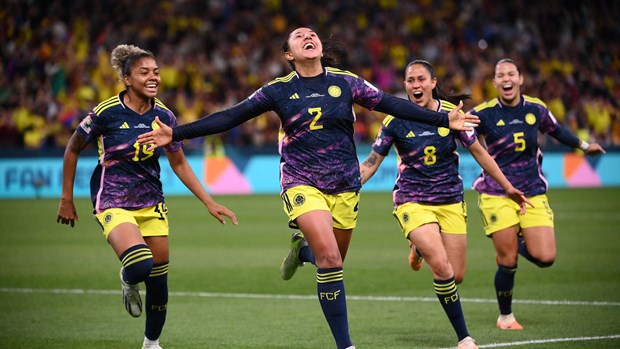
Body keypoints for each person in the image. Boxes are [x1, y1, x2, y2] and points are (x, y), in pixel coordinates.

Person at [137, 27, 479, 349]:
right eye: (299, 36)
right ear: (290, 53)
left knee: (331, 260)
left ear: (320, 48)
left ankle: (302, 252)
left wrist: (442, 118)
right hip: (301, 181)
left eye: (312, 34)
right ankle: (346, 344)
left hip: (345, 184)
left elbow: (391, 103)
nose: (308, 36)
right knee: (330, 258)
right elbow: (232, 116)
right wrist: (176, 133)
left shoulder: (347, 83)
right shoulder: (278, 90)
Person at [56, 44, 238, 349]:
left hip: (151, 201)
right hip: (112, 199)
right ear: (127, 79)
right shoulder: (105, 113)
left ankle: (151, 344)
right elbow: (72, 149)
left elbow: (178, 162)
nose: (153, 77)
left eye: (156, 72)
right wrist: (66, 198)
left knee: (159, 281)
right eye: (144, 73)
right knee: (140, 266)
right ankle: (128, 280)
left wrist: (209, 201)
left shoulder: (164, 115)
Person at [358, 60, 531, 349]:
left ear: (433, 82)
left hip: (450, 200)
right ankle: (464, 337)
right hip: (412, 200)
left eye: (421, 79)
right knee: (442, 267)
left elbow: (480, 153)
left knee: (457, 275)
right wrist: (346, 185)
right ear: (405, 85)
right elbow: (372, 162)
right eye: (410, 80)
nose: (416, 85)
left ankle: (418, 248)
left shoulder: (452, 116)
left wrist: (508, 187)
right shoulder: (394, 119)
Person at [469, 58, 606, 330]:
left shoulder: (536, 109)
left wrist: (583, 145)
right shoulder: (483, 113)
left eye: (511, 74)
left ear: (520, 79)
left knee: (545, 257)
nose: (506, 79)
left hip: (532, 190)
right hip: (497, 191)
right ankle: (505, 316)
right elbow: (458, 130)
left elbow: (556, 130)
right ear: (495, 82)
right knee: (507, 260)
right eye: (500, 75)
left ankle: (510, 240)